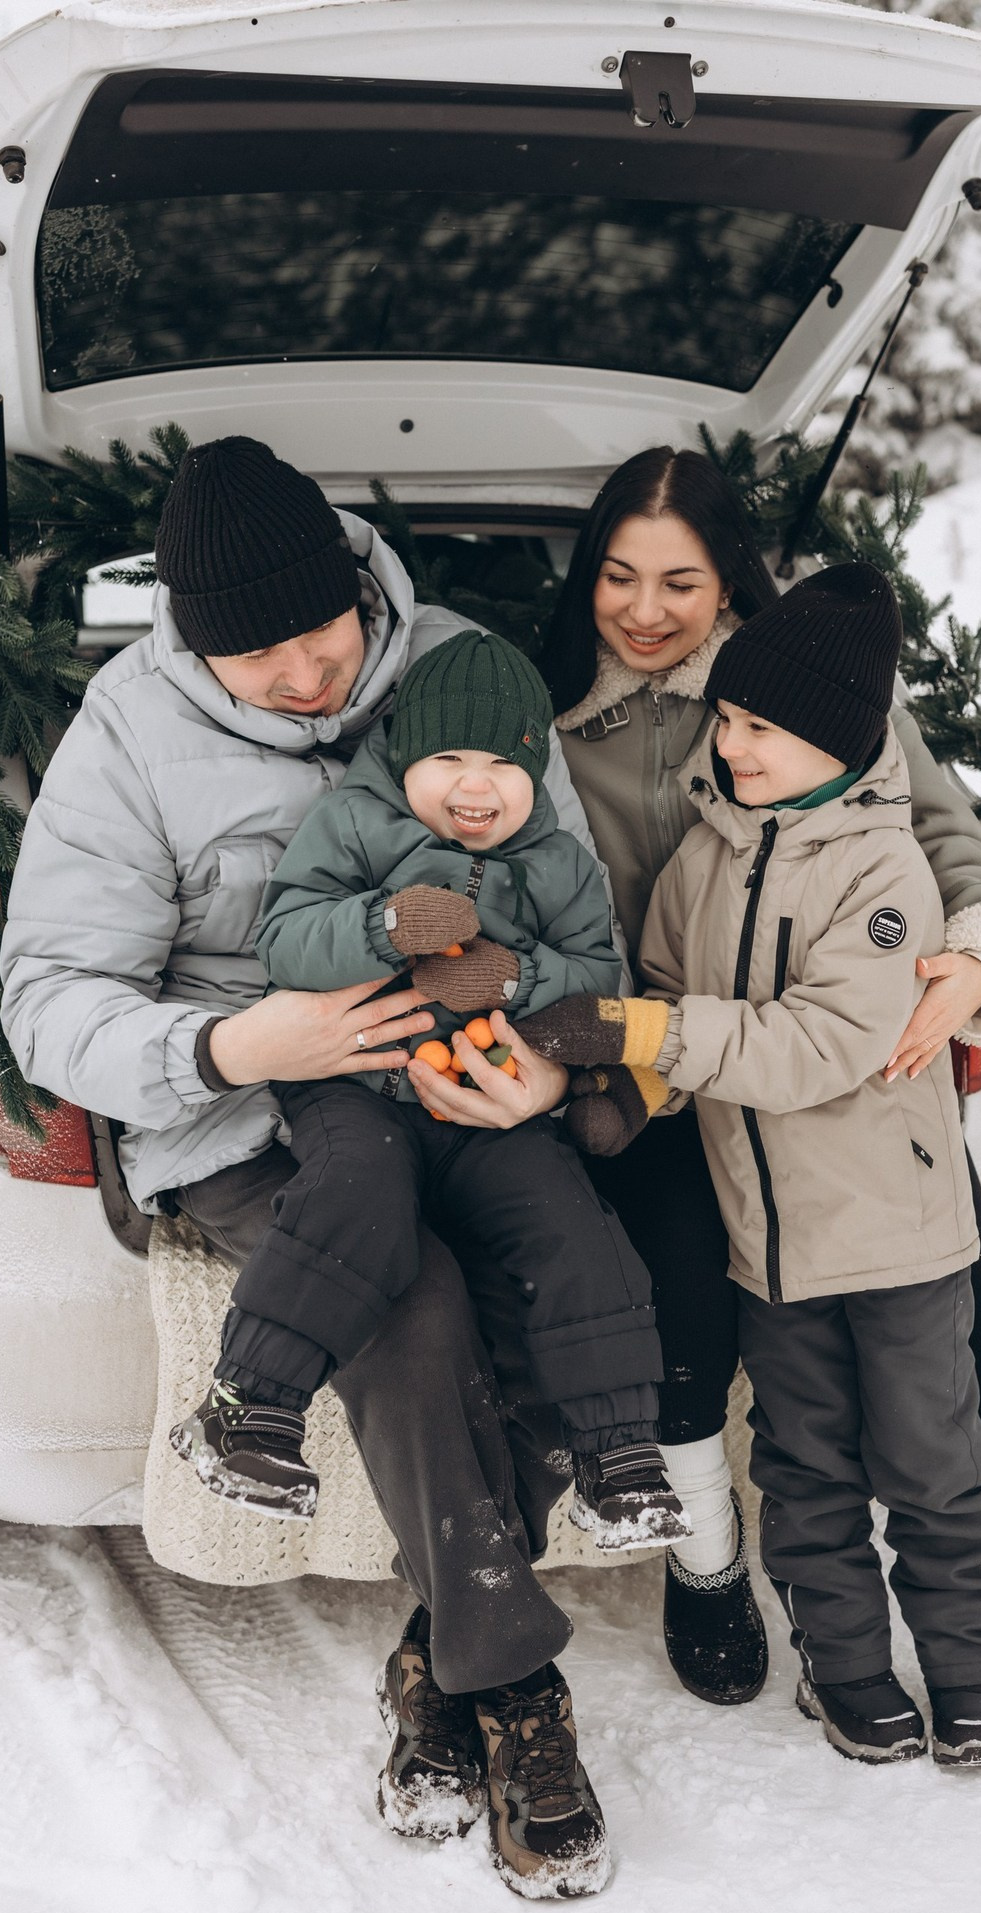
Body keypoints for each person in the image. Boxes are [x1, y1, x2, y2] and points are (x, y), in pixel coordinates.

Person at [479, 443, 981, 1776]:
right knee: (685, 1298)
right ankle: (708, 1568)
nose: (647, 612)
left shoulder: (799, 686)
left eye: (683, 582)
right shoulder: (534, 718)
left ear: (732, 585)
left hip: (831, 1084)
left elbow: (943, 838)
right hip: (655, 1072)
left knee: (972, 1315)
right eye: (620, 579)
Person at [0, 437, 630, 1897]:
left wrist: (547, 1060)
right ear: (190, 642)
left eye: (318, 635)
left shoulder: (467, 671)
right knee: (403, 1301)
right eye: (252, 658)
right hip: (250, 1108)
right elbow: (47, 998)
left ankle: (432, 1664)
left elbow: (572, 904)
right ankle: (516, 1690)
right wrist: (234, 1049)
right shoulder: (127, 730)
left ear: (361, 583)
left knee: (543, 1268)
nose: (297, 676)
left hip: (458, 1086)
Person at [521, 564, 981, 1765]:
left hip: (892, 1240)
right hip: (769, 1249)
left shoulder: (882, 872)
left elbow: (820, 1045)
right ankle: (849, 1676)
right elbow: (663, 999)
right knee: (803, 1470)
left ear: (838, 741)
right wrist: (627, 1088)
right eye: (729, 721)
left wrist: (652, 1037)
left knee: (932, 1466)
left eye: (762, 729)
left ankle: (968, 1680)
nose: (732, 745)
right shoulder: (701, 861)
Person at [172, 626, 687, 1559]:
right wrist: (385, 924)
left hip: (489, 1099)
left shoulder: (560, 863)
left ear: (539, 770)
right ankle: (250, 1408)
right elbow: (287, 937)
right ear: (406, 756)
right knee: (354, 1188)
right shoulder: (357, 825)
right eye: (448, 756)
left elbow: (594, 974)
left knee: (572, 1220)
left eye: (503, 762)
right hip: (359, 1084)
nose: (475, 785)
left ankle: (617, 1454)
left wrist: (516, 980)